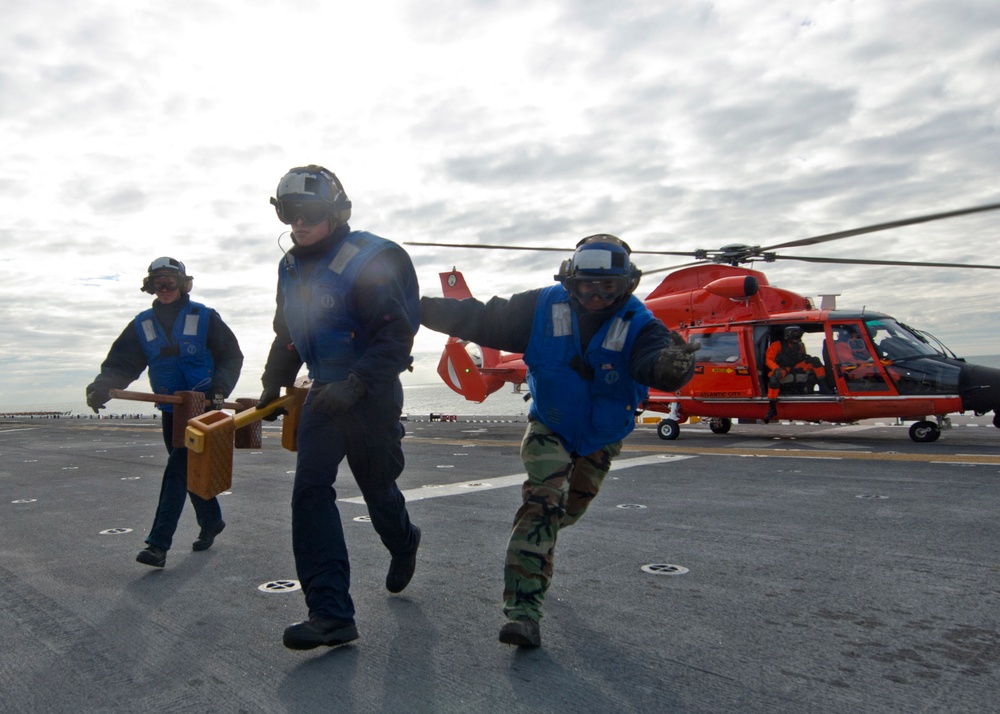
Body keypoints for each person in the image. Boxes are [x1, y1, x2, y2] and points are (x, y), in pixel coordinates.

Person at [420, 234, 699, 648]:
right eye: (587, 285)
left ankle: (545, 543)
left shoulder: (642, 326)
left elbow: (651, 363)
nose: (597, 296)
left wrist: (671, 369)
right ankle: (524, 613)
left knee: (567, 511)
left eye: (609, 287)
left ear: (627, 284)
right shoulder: (540, 309)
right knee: (542, 506)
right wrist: (413, 305)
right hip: (550, 425)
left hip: (602, 437)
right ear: (571, 281)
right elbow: (477, 317)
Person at [257, 165, 422, 651]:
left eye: (309, 213)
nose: (299, 224)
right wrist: (272, 385)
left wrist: (356, 385)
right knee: (310, 492)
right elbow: (287, 336)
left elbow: (396, 336)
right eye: (289, 213)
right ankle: (330, 613)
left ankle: (405, 540)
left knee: (378, 489)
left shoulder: (371, 260)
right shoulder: (289, 267)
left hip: (369, 396)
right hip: (323, 398)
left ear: (336, 212)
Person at [85, 257, 244, 568]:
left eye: (171, 281)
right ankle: (211, 520)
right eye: (158, 282)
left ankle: (158, 545)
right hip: (171, 410)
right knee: (184, 472)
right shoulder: (142, 324)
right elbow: (122, 363)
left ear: (183, 284)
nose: (165, 288)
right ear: (150, 286)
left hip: (201, 408)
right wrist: (101, 386)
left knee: (176, 469)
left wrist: (220, 389)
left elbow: (230, 356)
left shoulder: (205, 317)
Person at [764, 325, 827, 421]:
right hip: (783, 368)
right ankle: (772, 407)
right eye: (795, 337)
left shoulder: (800, 345)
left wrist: (806, 358)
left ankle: (824, 387)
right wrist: (776, 368)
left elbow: (802, 356)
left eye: (798, 337)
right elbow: (768, 359)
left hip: (797, 366)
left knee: (815, 361)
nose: (796, 340)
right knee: (773, 381)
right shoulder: (777, 345)